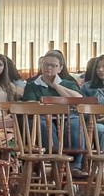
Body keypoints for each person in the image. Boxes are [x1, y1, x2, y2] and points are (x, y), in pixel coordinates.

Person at [22, 50, 86, 178]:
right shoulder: (32, 85)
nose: (48, 68)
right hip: (43, 118)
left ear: (60, 68)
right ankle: (57, 160)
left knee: (74, 123)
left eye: (53, 65)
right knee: (43, 123)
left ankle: (75, 166)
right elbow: (31, 105)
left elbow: (79, 100)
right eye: (46, 64)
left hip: (67, 118)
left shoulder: (69, 83)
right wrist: (57, 107)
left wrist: (56, 86)